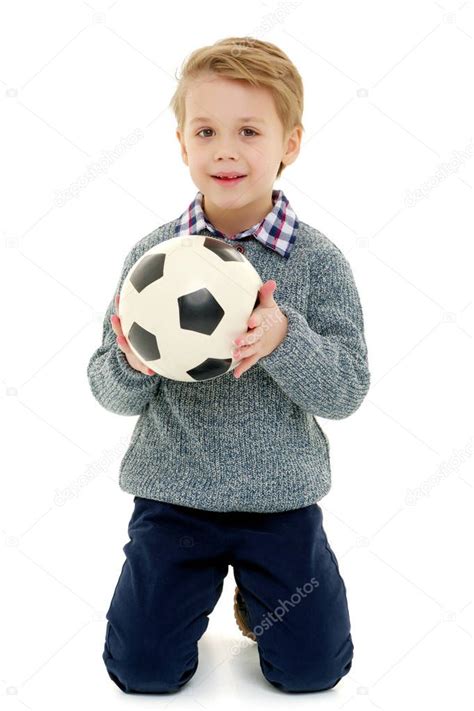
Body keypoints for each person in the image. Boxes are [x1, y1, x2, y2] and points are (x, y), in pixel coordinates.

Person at [87, 36, 371, 695]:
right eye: (206, 130)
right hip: (175, 499)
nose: (225, 149)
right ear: (182, 144)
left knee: (311, 672)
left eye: (249, 131)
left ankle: (261, 595)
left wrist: (283, 339)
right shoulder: (154, 260)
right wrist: (133, 360)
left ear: (289, 145)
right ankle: (185, 592)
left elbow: (348, 387)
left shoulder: (317, 263)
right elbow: (107, 387)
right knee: (143, 672)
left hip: (281, 504)